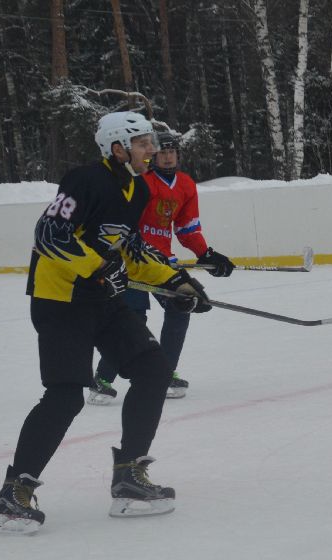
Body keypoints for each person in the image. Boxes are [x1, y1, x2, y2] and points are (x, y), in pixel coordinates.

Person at [0, 110, 213, 535]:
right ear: (118, 147)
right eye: (143, 143)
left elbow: (130, 253)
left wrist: (177, 282)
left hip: (102, 301)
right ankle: (13, 494)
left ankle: (129, 476)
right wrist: (95, 268)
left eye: (152, 143)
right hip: (61, 302)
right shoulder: (85, 179)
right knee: (66, 396)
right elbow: (50, 235)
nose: (152, 150)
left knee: (153, 370)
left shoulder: (135, 190)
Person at [88, 129, 234, 404]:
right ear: (153, 155)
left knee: (182, 307)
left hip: (161, 263)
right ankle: (102, 378)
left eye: (171, 152)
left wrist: (206, 253)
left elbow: (188, 228)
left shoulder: (186, 185)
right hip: (130, 260)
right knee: (132, 320)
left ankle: (163, 373)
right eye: (162, 152)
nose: (167, 157)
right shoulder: (139, 181)